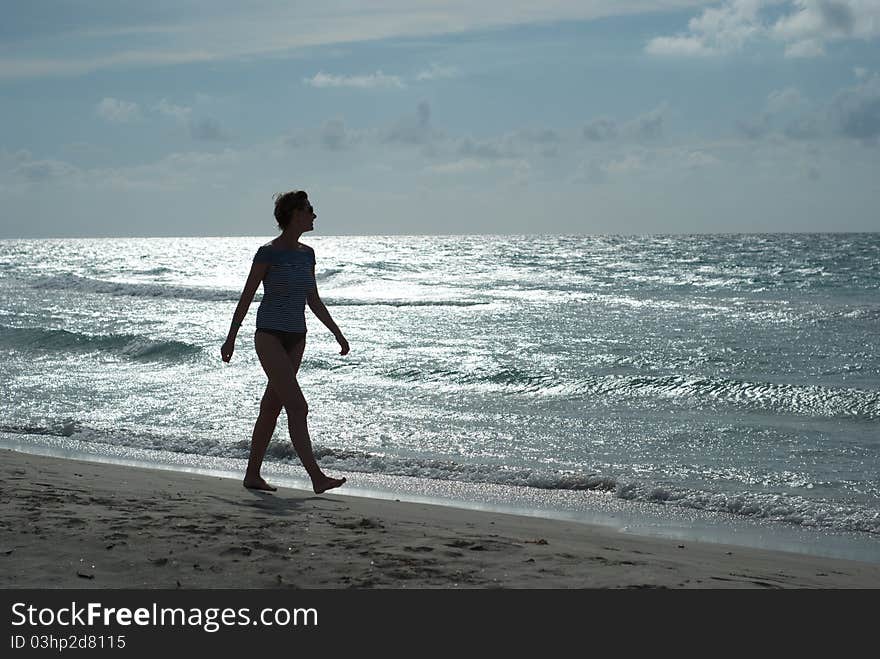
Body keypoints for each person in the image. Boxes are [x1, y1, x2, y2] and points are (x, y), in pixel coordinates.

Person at [220, 190, 349, 494]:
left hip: (297, 337)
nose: (314, 215)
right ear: (294, 214)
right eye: (309, 210)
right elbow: (248, 295)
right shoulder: (268, 253)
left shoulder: (308, 254)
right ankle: (316, 477)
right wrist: (231, 337)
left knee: (271, 408)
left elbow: (313, 299)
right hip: (269, 336)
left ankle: (252, 474)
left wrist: (336, 331)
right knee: (298, 406)